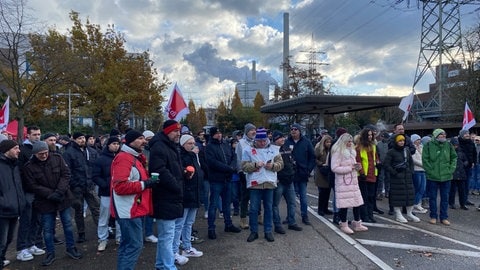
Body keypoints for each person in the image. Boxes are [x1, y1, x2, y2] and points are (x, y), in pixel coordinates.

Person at [23, 141, 82, 266]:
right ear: (35, 154)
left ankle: (71, 248)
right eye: (40, 154)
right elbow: (32, 185)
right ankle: (50, 252)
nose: (44, 156)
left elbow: (66, 174)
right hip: (45, 201)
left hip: (63, 197)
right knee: (48, 229)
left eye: (45, 153)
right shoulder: (29, 167)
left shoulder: (57, 158)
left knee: (68, 225)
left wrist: (59, 192)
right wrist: (50, 194)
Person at [111, 130, 155, 270]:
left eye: (144, 138)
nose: (144, 141)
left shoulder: (135, 157)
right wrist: (145, 184)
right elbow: (120, 186)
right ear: (130, 141)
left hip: (134, 209)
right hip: (128, 211)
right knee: (134, 246)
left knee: (128, 245)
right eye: (140, 138)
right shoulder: (124, 158)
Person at [148, 120, 188, 268]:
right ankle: (168, 266)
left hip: (171, 196)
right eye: (175, 131)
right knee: (167, 237)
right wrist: (176, 185)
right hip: (165, 197)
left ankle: (161, 264)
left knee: (166, 236)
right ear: (167, 131)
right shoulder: (159, 147)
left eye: (179, 131)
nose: (178, 134)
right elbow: (159, 171)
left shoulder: (171, 146)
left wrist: (183, 173)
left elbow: (172, 168)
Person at [242, 128, 283, 242]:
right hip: (255, 184)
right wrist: (255, 164)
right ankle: (253, 231)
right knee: (254, 209)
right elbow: (244, 166)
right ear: (256, 140)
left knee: (268, 208)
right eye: (260, 141)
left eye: (264, 140)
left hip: (269, 183)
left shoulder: (274, 150)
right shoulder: (248, 150)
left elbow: (280, 164)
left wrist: (273, 166)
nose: (262, 143)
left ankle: (268, 231)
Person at [62, 132, 100, 243]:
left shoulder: (92, 152)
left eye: (83, 138)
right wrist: (74, 184)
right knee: (78, 211)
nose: (82, 140)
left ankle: (101, 231)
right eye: (79, 138)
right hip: (77, 187)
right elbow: (67, 171)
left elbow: (95, 167)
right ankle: (81, 233)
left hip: (90, 186)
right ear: (73, 140)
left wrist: (93, 180)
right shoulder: (69, 153)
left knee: (96, 208)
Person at [206, 126, 242, 240]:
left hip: (227, 179)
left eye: (220, 132)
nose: (219, 135)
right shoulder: (209, 147)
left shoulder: (226, 145)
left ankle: (228, 224)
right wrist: (228, 168)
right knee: (213, 205)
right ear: (212, 135)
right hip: (216, 180)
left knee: (227, 204)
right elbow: (212, 162)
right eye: (216, 133)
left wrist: (232, 167)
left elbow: (234, 156)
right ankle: (211, 228)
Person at [16, 126, 45, 262]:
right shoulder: (22, 150)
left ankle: (31, 243)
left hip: (39, 191)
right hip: (27, 190)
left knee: (36, 219)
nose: (37, 137)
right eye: (34, 134)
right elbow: (20, 172)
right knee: (26, 220)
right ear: (28, 135)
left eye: (39, 134)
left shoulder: (41, 149)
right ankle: (22, 248)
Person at [330, 133, 368, 234]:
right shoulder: (338, 152)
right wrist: (349, 168)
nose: (350, 143)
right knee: (344, 204)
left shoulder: (352, 152)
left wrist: (357, 167)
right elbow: (334, 168)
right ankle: (343, 223)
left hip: (353, 180)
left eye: (351, 141)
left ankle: (357, 223)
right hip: (343, 182)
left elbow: (352, 166)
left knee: (357, 202)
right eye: (348, 141)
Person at [174, 134, 204, 258]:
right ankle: (174, 250)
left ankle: (187, 247)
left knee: (189, 223)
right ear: (183, 144)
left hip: (195, 193)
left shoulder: (193, 156)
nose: (192, 145)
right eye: (189, 143)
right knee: (180, 224)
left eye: (193, 143)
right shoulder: (180, 157)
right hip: (186, 194)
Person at [422, 129, 457, 225]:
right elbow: (425, 159)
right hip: (433, 176)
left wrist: (451, 169)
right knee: (432, 197)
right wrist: (430, 171)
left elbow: (454, 157)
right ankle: (433, 216)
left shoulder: (448, 145)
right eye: (441, 135)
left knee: (445, 198)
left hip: (446, 176)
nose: (443, 136)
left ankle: (444, 217)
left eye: (444, 135)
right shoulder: (428, 145)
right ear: (436, 136)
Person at [92, 136, 121, 251]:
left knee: (120, 217)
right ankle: (102, 239)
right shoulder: (101, 159)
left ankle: (120, 237)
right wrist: (105, 185)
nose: (116, 146)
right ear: (108, 145)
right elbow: (95, 176)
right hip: (106, 193)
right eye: (114, 143)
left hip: (119, 192)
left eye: (118, 144)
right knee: (104, 217)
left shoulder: (121, 157)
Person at [0, 140, 26, 269]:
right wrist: (4, 202)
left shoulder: (15, 165)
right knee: (1, 241)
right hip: (3, 210)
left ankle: (2, 259)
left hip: (15, 208)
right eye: (16, 148)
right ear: (7, 150)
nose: (19, 151)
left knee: (9, 239)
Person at [271, 130, 302, 234]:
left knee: (292, 203)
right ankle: (277, 225)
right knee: (275, 204)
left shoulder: (287, 148)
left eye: (283, 137)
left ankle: (291, 222)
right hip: (279, 181)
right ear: (275, 140)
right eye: (280, 138)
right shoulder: (271, 150)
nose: (282, 139)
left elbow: (292, 161)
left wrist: (293, 172)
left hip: (289, 181)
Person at [285, 123, 316, 225]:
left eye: (295, 129)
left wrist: (308, 169)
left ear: (299, 131)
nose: (293, 131)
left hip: (302, 173)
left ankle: (304, 215)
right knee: (291, 198)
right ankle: (290, 216)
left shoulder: (306, 142)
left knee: (303, 196)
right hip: (291, 174)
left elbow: (312, 157)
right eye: (292, 129)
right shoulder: (286, 142)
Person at [384, 134, 419, 223]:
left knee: (409, 195)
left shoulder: (406, 150)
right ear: (396, 142)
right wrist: (394, 173)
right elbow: (386, 164)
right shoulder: (391, 152)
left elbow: (410, 162)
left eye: (403, 140)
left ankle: (409, 213)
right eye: (400, 141)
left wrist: (411, 172)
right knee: (397, 196)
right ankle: (398, 214)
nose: (402, 142)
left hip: (407, 177)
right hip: (396, 178)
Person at [355, 128, 380, 223]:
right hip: (363, 175)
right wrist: (361, 172)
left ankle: (370, 215)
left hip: (372, 174)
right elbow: (358, 161)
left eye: (371, 135)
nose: (370, 136)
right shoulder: (359, 147)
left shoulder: (373, 146)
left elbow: (376, 158)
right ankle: (364, 216)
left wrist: (378, 163)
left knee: (371, 196)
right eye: (368, 135)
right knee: (364, 197)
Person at [235, 123, 256, 229]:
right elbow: (238, 158)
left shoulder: (257, 142)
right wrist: (240, 171)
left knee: (257, 196)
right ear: (246, 132)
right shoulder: (241, 143)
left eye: (254, 130)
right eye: (251, 130)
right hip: (245, 173)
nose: (253, 132)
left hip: (256, 172)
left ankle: (258, 217)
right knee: (245, 197)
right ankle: (243, 220)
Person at [141, 130, 158, 244]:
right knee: (142, 211)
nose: (150, 141)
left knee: (150, 210)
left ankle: (149, 232)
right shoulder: (141, 152)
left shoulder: (155, 149)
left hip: (153, 181)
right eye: (148, 139)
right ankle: (143, 233)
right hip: (143, 182)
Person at [314, 134, 333, 216]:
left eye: (330, 142)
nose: (329, 143)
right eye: (327, 142)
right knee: (322, 193)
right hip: (321, 173)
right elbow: (314, 158)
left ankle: (325, 208)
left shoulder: (330, 150)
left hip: (328, 172)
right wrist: (321, 164)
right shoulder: (319, 149)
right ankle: (320, 209)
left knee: (327, 192)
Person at [448, 137, 469, 210]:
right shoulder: (448, 152)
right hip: (453, 173)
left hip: (461, 173)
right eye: (454, 145)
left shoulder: (461, 151)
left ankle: (462, 204)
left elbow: (466, 160)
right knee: (452, 190)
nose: (455, 146)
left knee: (462, 190)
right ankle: (451, 203)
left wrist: (464, 164)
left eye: (456, 145)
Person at [457, 129, 476, 207]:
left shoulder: (471, 143)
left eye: (468, 133)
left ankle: (466, 199)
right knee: (462, 185)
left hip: (469, 166)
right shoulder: (458, 142)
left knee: (467, 184)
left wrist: (473, 162)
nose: (467, 135)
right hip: (461, 167)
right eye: (465, 134)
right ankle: (462, 201)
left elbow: (474, 153)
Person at [410, 134, 428, 214]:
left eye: (419, 139)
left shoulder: (422, 147)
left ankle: (418, 203)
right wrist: (423, 164)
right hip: (416, 169)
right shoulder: (412, 148)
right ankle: (415, 204)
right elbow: (413, 160)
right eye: (417, 139)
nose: (419, 141)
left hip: (423, 170)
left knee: (422, 188)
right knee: (417, 187)